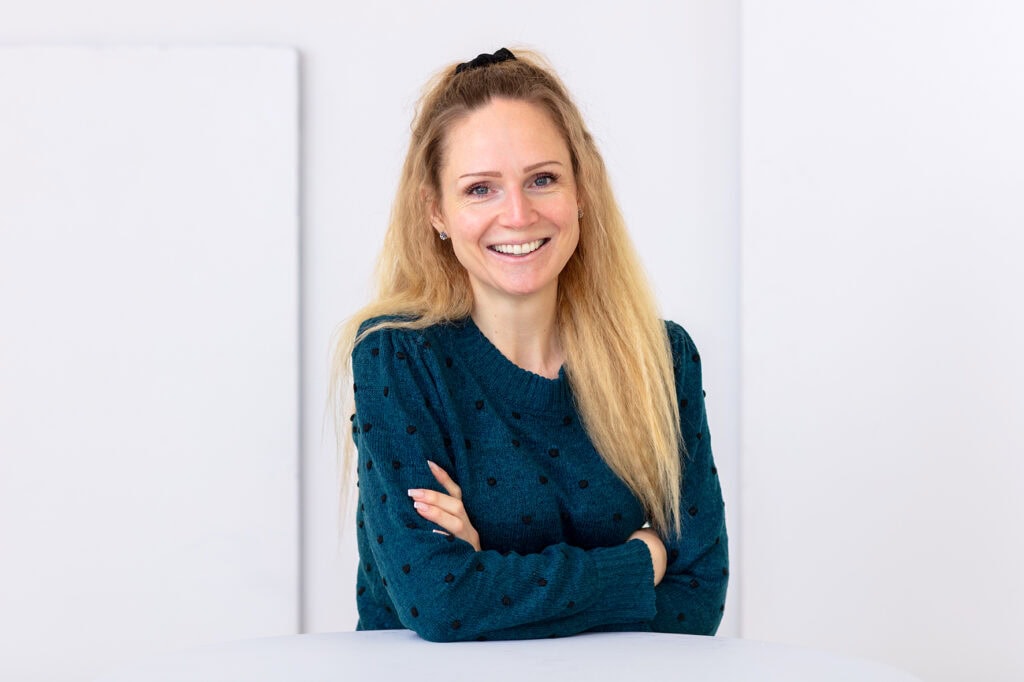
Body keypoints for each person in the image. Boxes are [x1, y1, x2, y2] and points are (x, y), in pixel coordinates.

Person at [331, 47, 728, 643]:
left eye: (542, 179)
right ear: (436, 210)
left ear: (580, 191)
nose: (517, 215)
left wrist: (487, 572)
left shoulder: (661, 359)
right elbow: (440, 603)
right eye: (480, 189)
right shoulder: (397, 358)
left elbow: (697, 600)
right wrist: (639, 563)